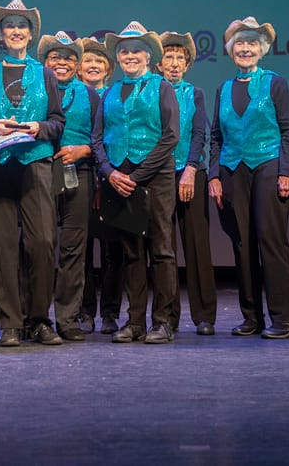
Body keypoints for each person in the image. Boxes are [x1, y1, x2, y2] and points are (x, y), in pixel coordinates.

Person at [0, 0, 65, 347]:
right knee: (3, 248)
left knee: (41, 243)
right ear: (0, 33)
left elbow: (58, 123)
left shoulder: (46, 73)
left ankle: (39, 319)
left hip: (35, 163)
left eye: (22, 26)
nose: (15, 31)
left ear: (30, 33)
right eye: (9, 26)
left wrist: (39, 127)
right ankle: (11, 323)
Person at [207, 17, 289, 339]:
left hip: (268, 165)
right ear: (231, 51)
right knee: (241, 243)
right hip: (233, 169)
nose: (245, 49)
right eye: (240, 45)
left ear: (261, 50)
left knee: (270, 241)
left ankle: (283, 320)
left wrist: (286, 172)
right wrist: (214, 175)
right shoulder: (224, 88)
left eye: (251, 44)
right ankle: (251, 317)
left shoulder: (276, 83)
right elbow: (216, 137)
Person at [92, 21, 180, 344]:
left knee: (161, 250)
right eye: (124, 51)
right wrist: (110, 172)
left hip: (154, 177)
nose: (130, 55)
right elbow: (98, 138)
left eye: (136, 50)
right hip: (119, 178)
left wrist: (137, 176)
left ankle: (163, 321)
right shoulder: (111, 91)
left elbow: (171, 136)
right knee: (131, 252)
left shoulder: (162, 87)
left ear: (148, 55)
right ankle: (136, 321)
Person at [38, 31, 100, 341]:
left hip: (80, 174)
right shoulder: (35, 89)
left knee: (74, 249)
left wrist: (84, 150)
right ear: (44, 62)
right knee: (40, 246)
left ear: (77, 65)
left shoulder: (90, 95)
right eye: (55, 57)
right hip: (40, 175)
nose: (62, 62)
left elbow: (103, 139)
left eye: (69, 58)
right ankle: (34, 317)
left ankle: (68, 317)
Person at [158, 31, 216, 336]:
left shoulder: (195, 93)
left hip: (191, 172)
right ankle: (167, 315)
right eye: (169, 57)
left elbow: (198, 134)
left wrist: (191, 169)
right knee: (164, 247)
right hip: (159, 176)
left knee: (196, 245)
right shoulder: (152, 91)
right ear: (158, 63)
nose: (175, 63)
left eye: (181, 58)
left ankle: (204, 316)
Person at [76, 36, 123, 335]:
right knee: (81, 251)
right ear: (79, 70)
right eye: (87, 61)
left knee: (112, 250)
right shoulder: (73, 95)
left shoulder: (116, 96)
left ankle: (110, 312)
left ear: (108, 69)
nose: (93, 66)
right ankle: (84, 311)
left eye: (99, 62)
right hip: (79, 178)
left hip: (110, 179)